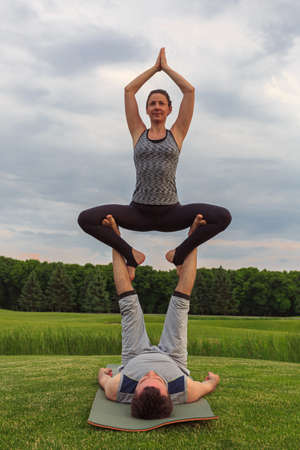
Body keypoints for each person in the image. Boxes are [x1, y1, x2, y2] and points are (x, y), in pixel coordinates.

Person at [78, 48, 231, 280]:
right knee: (85, 219)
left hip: (171, 212)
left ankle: (179, 254)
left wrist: (166, 69)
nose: (157, 107)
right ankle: (131, 255)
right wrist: (153, 69)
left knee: (223, 216)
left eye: (161, 103)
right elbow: (129, 90)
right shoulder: (138, 133)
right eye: (152, 104)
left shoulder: (177, 133)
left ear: (170, 109)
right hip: (138, 211)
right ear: (147, 110)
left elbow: (189, 91)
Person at [98, 215, 220, 419]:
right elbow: (208, 385)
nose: (152, 373)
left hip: (134, 356)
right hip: (173, 358)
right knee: (180, 303)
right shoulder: (185, 391)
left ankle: (115, 236)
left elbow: (102, 380)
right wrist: (213, 380)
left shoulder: (117, 390)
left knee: (128, 303)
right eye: (158, 380)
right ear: (170, 395)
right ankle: (193, 235)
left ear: (133, 393)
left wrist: (102, 374)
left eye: (145, 379)